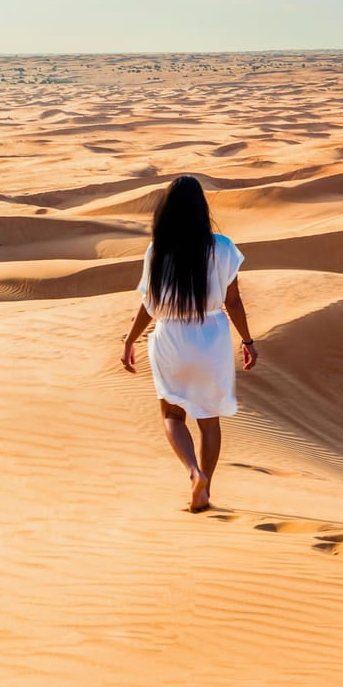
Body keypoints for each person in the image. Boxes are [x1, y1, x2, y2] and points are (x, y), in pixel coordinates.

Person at [121, 175, 258, 512]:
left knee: (172, 415)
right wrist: (248, 341)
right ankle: (206, 485)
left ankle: (193, 472)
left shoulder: (158, 250)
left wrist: (129, 339)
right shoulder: (223, 247)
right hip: (211, 337)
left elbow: (150, 304)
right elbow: (234, 301)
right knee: (209, 420)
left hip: (170, 338)